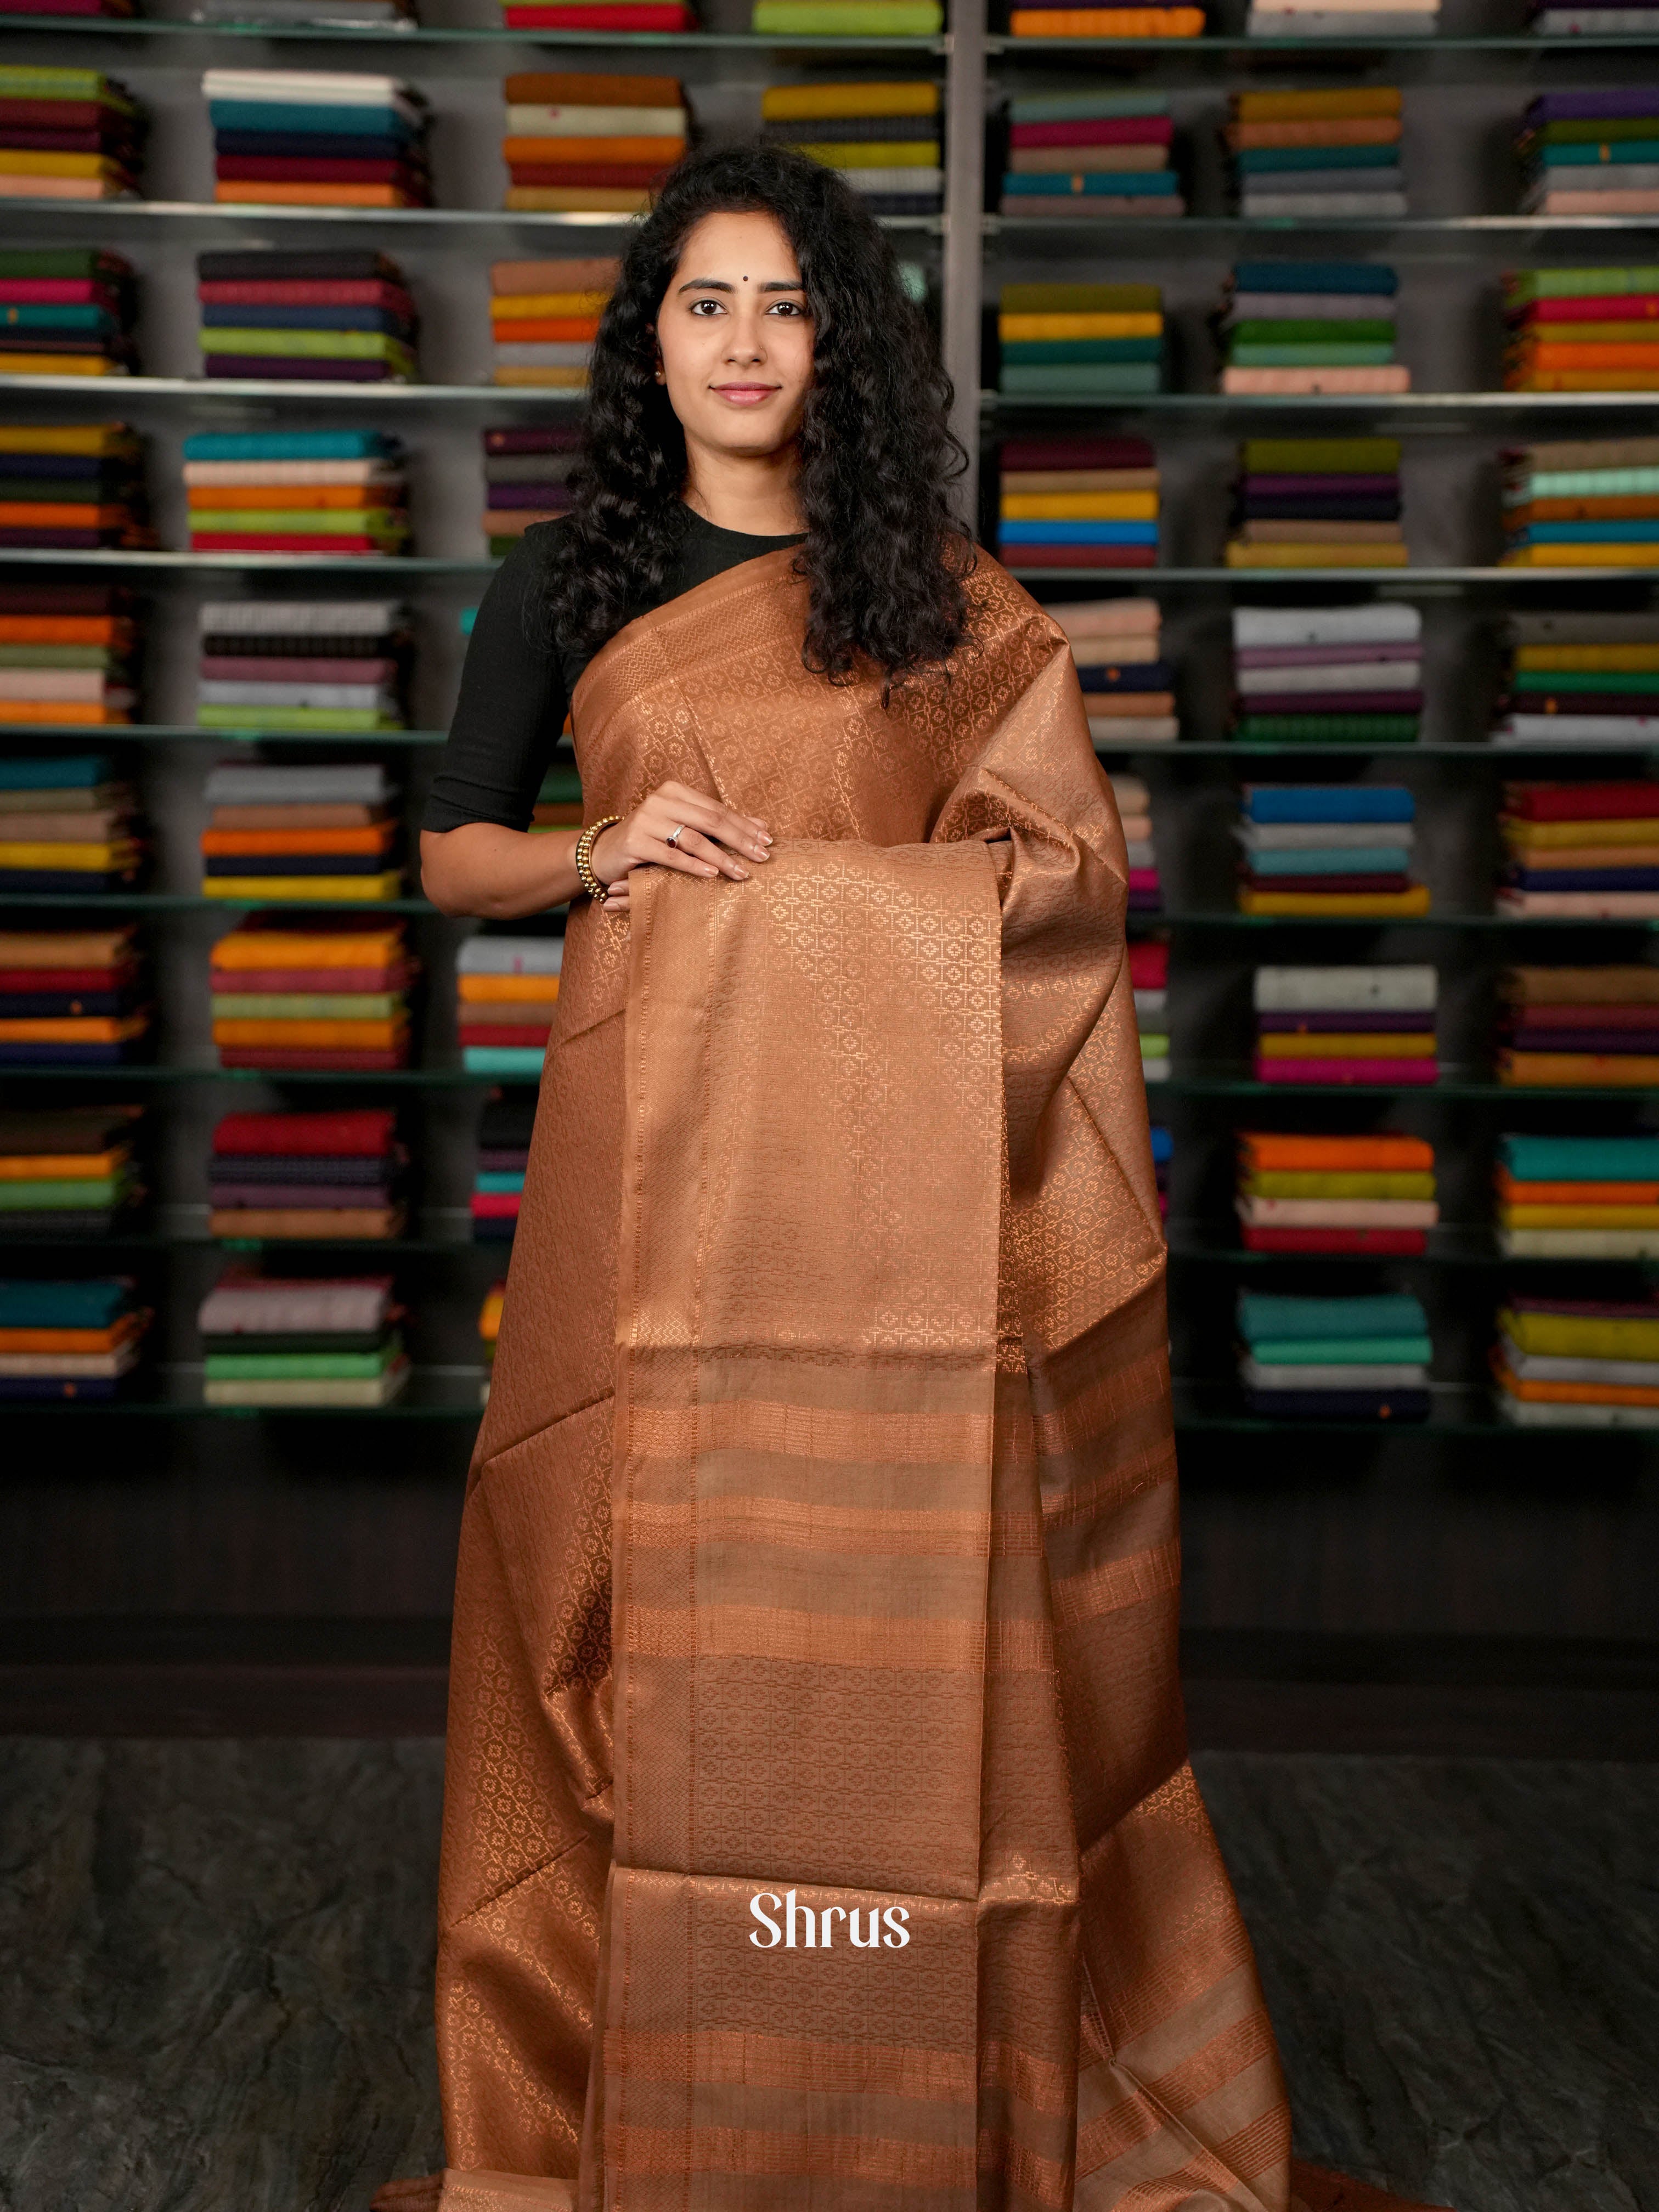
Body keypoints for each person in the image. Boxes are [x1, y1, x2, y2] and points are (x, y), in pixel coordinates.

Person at [379, 144, 1453, 2212]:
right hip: (643, 1172)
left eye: (786, 305)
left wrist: (840, 903)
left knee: (928, 1609)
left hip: (896, 1214)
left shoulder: (935, 597)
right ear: (653, 338)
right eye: (707, 303)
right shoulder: (569, 579)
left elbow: (1059, 875)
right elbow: (448, 855)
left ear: (837, 341)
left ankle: (915, 2083)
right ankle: (628, 2085)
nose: (746, 343)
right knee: (589, 1594)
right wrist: (603, 855)